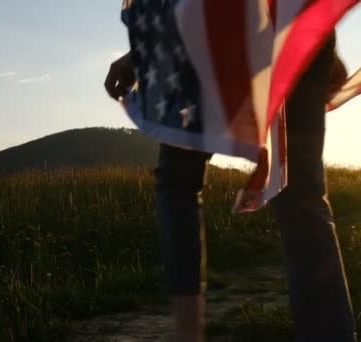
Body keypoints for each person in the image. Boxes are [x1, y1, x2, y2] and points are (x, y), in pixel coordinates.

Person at [105, 32, 356, 342]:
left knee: (178, 180)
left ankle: (188, 335)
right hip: (296, 28)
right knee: (301, 195)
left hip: (217, 29)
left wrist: (145, 51)